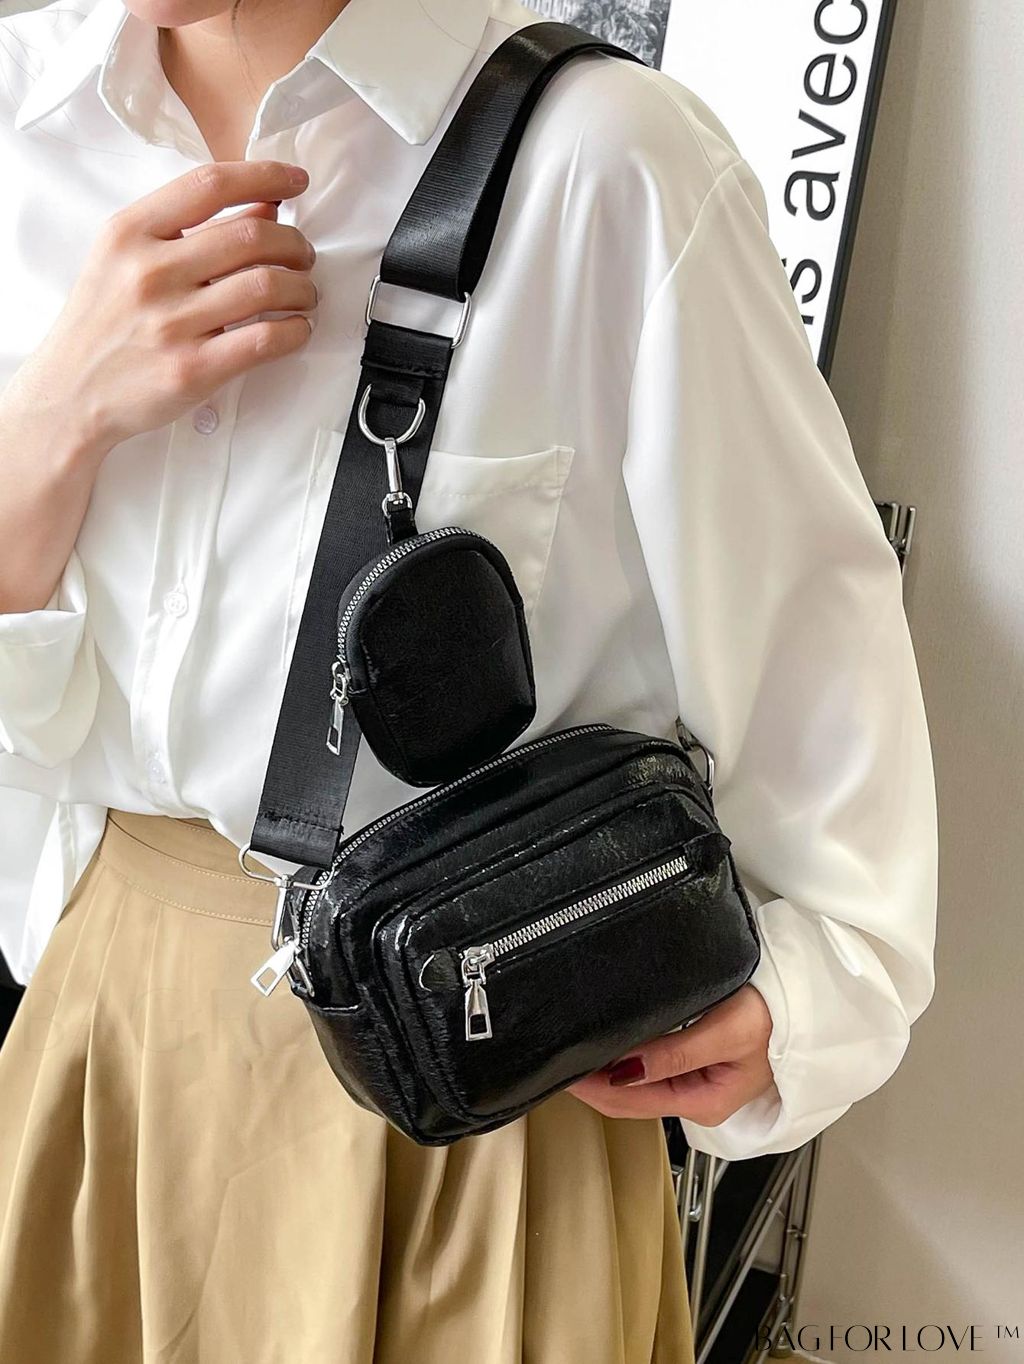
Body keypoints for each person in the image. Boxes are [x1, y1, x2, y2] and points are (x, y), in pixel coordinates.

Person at [0, 0, 939, 1359]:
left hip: (474, 1107)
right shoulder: (21, 126)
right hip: (102, 1068)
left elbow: (819, 677)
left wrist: (803, 998)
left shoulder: (610, 163)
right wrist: (49, 423)